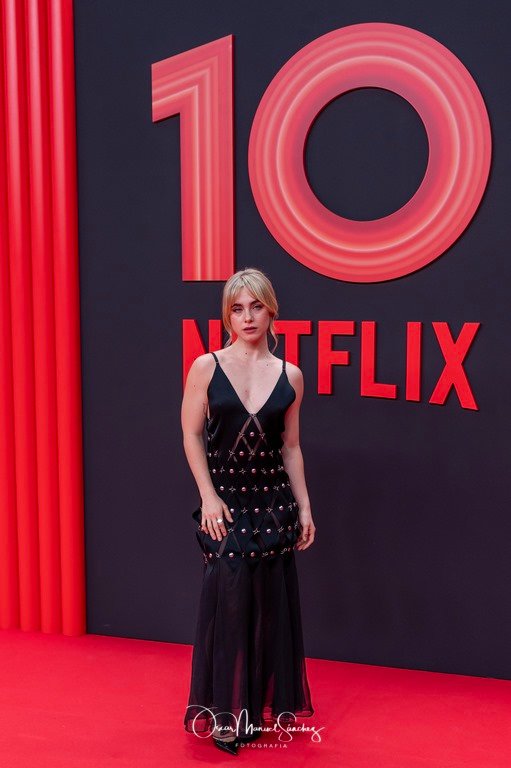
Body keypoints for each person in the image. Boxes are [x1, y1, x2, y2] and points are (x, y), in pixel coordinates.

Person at [181, 267, 316, 755]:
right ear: (227, 316)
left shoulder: (291, 375)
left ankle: (252, 711)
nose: (247, 317)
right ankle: (224, 714)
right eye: (237, 309)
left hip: (273, 506)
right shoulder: (206, 366)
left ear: (271, 309)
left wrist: (304, 507)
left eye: (256, 306)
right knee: (230, 607)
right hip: (227, 506)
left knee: (267, 611)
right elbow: (191, 433)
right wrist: (208, 496)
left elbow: (291, 448)